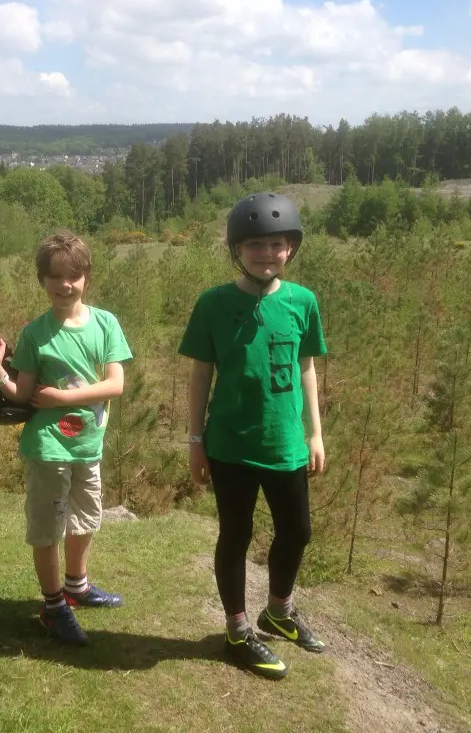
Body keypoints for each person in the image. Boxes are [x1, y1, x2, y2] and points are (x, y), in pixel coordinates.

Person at [178, 192, 327, 680]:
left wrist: (315, 433)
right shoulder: (214, 303)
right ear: (237, 249)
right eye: (256, 244)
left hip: (284, 441)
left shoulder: (303, 301)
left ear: (291, 248)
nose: (267, 253)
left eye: (278, 244)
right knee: (236, 535)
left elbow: (307, 368)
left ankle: (278, 613)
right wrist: (194, 441)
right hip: (230, 445)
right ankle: (238, 630)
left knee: (297, 532)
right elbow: (200, 375)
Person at [0, 232, 132, 646]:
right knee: (48, 528)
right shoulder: (35, 333)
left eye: (74, 275)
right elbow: (22, 392)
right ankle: (53, 607)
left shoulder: (105, 324)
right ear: (42, 280)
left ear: (87, 277)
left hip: (88, 445)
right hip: (48, 446)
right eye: (55, 276)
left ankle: (77, 587)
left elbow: (116, 384)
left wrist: (63, 397)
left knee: (85, 518)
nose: (65, 284)